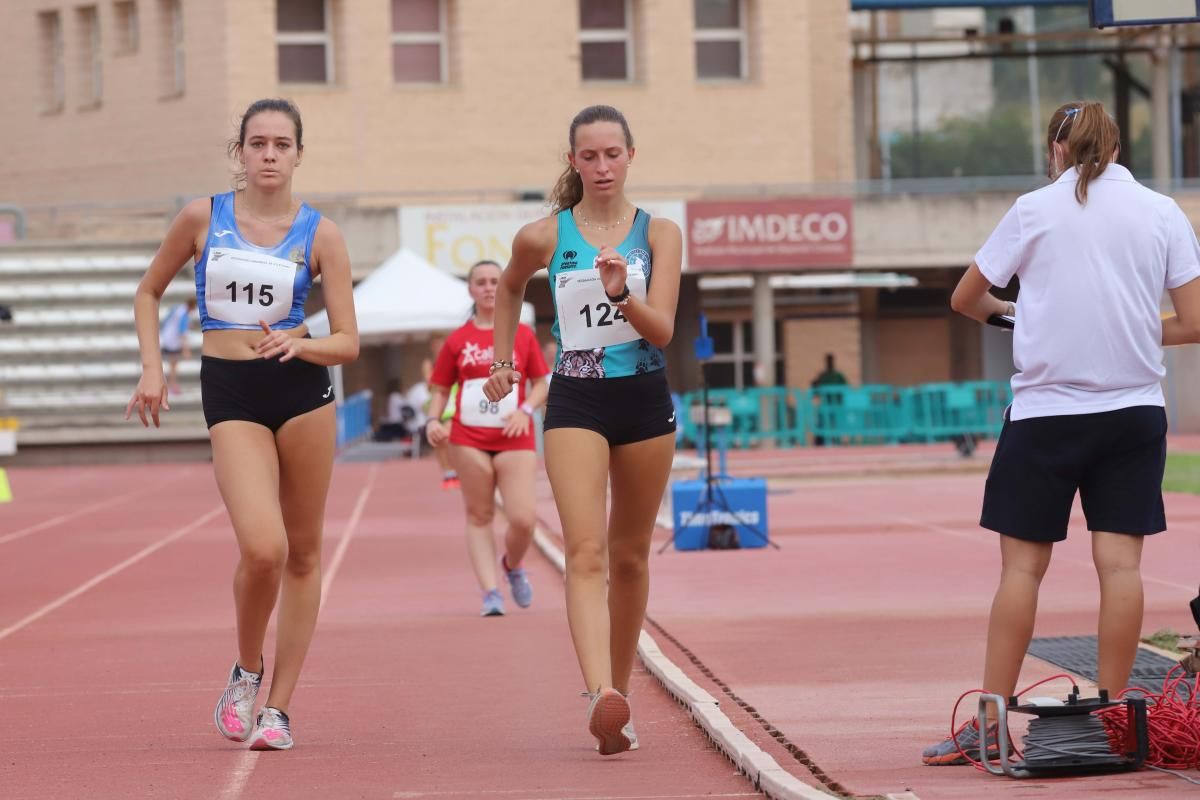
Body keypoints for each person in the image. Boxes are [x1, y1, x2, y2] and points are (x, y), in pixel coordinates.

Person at [922, 101, 1200, 766]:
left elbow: (966, 298)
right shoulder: (1163, 212)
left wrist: (1025, 319)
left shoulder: (1034, 208)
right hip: (1133, 413)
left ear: (1055, 149)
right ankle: (1112, 722)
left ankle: (989, 725)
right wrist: (1129, 327)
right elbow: (1193, 321)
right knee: (1122, 568)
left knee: (1022, 569)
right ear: (1117, 146)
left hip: (1046, 414)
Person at [125, 98, 359, 752]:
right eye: (257, 143)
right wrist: (151, 367)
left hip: (302, 391)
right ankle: (247, 669)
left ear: (298, 154)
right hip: (230, 390)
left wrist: (302, 342)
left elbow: (348, 342)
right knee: (265, 548)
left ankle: (278, 709)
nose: (269, 155)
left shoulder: (323, 235)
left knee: (305, 553)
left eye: (282, 144)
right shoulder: (204, 217)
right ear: (241, 152)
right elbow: (147, 291)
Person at [483, 105, 682, 755]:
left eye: (612, 154)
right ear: (573, 161)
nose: (601, 166)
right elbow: (510, 288)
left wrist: (624, 293)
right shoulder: (545, 236)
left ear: (631, 156)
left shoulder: (661, 233)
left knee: (629, 557)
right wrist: (505, 360)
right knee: (586, 551)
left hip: (646, 401)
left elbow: (664, 332)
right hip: (577, 401)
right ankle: (599, 691)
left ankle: (615, 703)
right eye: (589, 156)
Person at [426, 260, 550, 617]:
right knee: (479, 515)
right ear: (470, 290)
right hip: (468, 438)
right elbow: (439, 387)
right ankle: (490, 592)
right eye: (480, 282)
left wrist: (524, 411)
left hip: (515, 435)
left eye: (495, 281)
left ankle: (511, 565)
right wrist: (433, 419)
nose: (489, 287)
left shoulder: (523, 335)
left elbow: (541, 383)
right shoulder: (458, 340)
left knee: (523, 519)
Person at [422, 336, 459, 489]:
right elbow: (430, 385)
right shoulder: (429, 364)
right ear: (432, 346)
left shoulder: (454, 360)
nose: (439, 348)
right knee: (439, 441)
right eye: (436, 345)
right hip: (437, 408)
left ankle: (455, 469)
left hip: (452, 406)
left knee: (448, 438)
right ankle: (447, 472)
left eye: (441, 345)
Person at [160, 296, 197, 394]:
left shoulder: (178, 308)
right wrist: (186, 350)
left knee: (172, 364)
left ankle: (171, 385)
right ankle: (172, 385)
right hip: (173, 341)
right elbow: (182, 333)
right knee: (173, 365)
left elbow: (167, 320)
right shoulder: (183, 314)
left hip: (167, 337)